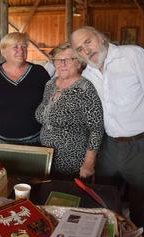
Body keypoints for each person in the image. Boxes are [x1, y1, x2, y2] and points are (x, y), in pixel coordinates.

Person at [71, 26, 144, 237]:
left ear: (101, 37)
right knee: (105, 206)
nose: (86, 50)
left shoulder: (133, 55)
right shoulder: (89, 73)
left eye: (88, 42)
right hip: (109, 147)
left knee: (142, 212)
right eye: (80, 48)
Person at [35, 42, 104, 179]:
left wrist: (89, 162)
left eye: (67, 59)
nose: (61, 64)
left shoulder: (85, 88)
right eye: (57, 60)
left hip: (72, 161)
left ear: (79, 63)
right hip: (46, 158)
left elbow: (96, 129)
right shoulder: (50, 85)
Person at [0, 32, 50, 154]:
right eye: (15, 47)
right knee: (0, 173)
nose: (21, 50)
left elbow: (49, 103)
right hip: (0, 141)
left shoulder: (39, 73)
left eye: (24, 46)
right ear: (3, 51)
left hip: (34, 140)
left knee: (32, 173)